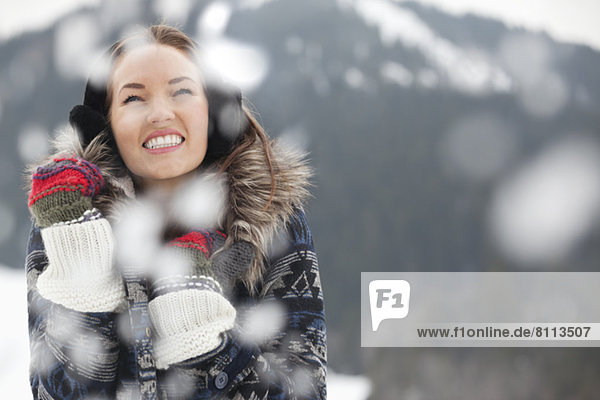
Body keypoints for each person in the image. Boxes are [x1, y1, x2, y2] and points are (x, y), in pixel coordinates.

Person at [25, 24, 326, 399]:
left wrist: (203, 346)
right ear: (105, 125)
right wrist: (86, 292)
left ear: (212, 111)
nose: (160, 113)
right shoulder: (68, 223)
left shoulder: (270, 218)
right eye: (134, 99)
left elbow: (305, 390)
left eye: (182, 91)